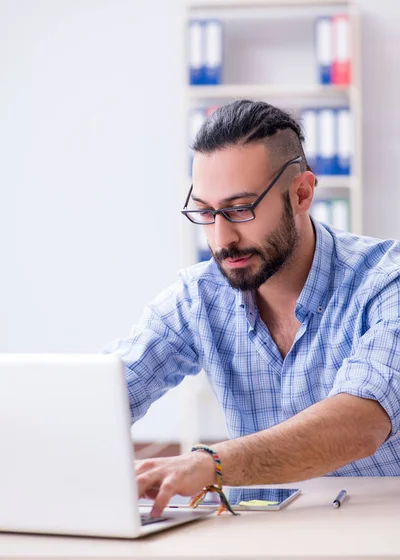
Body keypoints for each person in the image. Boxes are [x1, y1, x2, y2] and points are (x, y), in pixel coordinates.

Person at [104, 99, 399, 517]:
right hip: (252, 538)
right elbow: (106, 392)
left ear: (301, 194)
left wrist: (212, 464)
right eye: (206, 213)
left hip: (375, 534)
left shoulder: (385, 282)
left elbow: (361, 422)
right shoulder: (199, 297)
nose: (222, 238)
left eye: (240, 209)